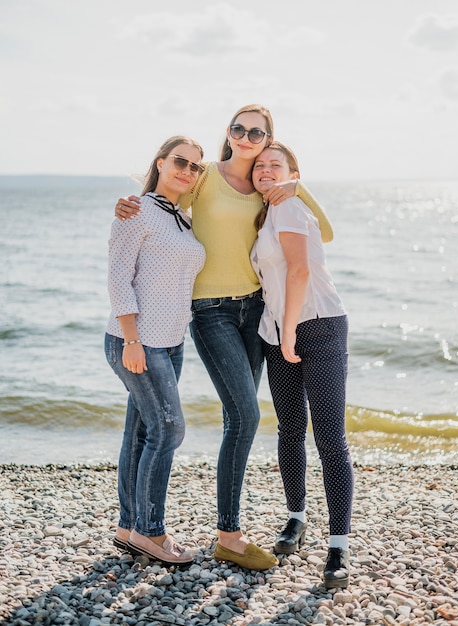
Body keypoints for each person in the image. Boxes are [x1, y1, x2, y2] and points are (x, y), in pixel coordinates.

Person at [114, 104, 334, 571]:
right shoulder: (205, 176)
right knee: (246, 414)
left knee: (236, 419)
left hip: (254, 308)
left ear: (269, 138)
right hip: (209, 311)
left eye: (258, 131)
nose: (247, 135)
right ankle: (226, 534)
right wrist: (126, 204)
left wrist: (296, 185)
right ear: (229, 134)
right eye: (239, 127)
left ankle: (161, 527)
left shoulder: (266, 186)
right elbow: (162, 203)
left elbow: (326, 233)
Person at [250, 142, 354, 588]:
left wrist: (289, 331)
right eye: (260, 165)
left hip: (319, 327)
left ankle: (339, 546)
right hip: (279, 332)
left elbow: (299, 272)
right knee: (290, 429)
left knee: (330, 439)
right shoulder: (264, 215)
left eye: (277, 165)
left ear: (293, 174)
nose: (267, 171)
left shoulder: (290, 207)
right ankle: (296, 518)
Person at [105, 136, 206, 565]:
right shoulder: (137, 211)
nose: (187, 170)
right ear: (161, 163)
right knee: (168, 431)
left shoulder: (181, 217)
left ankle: (128, 527)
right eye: (179, 161)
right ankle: (151, 531)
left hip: (171, 341)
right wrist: (131, 340)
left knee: (142, 432)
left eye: (195, 167)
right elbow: (117, 279)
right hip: (138, 342)